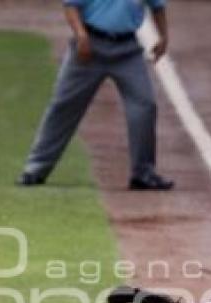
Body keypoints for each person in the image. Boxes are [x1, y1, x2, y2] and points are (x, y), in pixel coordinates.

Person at [16, 0, 174, 191]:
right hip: (90, 45)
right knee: (64, 105)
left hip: (127, 49)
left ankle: (143, 173)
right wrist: (81, 35)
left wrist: (163, 36)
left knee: (144, 105)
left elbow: (157, 7)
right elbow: (71, 6)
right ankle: (35, 169)